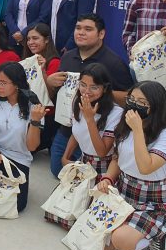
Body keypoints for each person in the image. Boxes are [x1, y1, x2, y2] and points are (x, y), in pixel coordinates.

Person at [97, 81, 166, 250]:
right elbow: (117, 158)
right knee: (93, 233)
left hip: (154, 201)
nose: (134, 105)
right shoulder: (125, 125)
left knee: (121, 240)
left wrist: (137, 130)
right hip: (125, 191)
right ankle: (132, 228)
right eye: (131, 99)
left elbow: (146, 166)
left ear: (156, 106)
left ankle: (158, 234)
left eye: (142, 102)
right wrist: (108, 178)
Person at [46, 14, 134, 178]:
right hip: (69, 128)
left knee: (90, 178)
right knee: (58, 169)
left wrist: (101, 92)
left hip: (99, 132)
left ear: (101, 34)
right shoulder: (67, 56)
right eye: (78, 28)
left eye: (88, 29)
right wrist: (49, 82)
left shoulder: (113, 63)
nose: (81, 33)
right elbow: (56, 94)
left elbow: (129, 97)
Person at [0, 62, 44, 212]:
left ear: (17, 84)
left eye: (4, 83)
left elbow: (31, 146)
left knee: (17, 206)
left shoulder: (33, 105)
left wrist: (36, 121)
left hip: (19, 158)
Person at [61, 64, 124, 180]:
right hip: (83, 162)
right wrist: (65, 157)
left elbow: (102, 151)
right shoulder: (78, 101)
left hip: (106, 168)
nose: (87, 91)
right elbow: (77, 132)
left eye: (94, 87)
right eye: (83, 85)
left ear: (105, 89)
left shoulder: (116, 113)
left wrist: (90, 119)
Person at [23, 22, 62, 148]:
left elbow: (50, 95)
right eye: (28, 39)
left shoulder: (54, 62)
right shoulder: (27, 61)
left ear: (46, 40)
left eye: (35, 38)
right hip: (27, 112)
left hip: (46, 116)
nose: (30, 42)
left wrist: (43, 70)